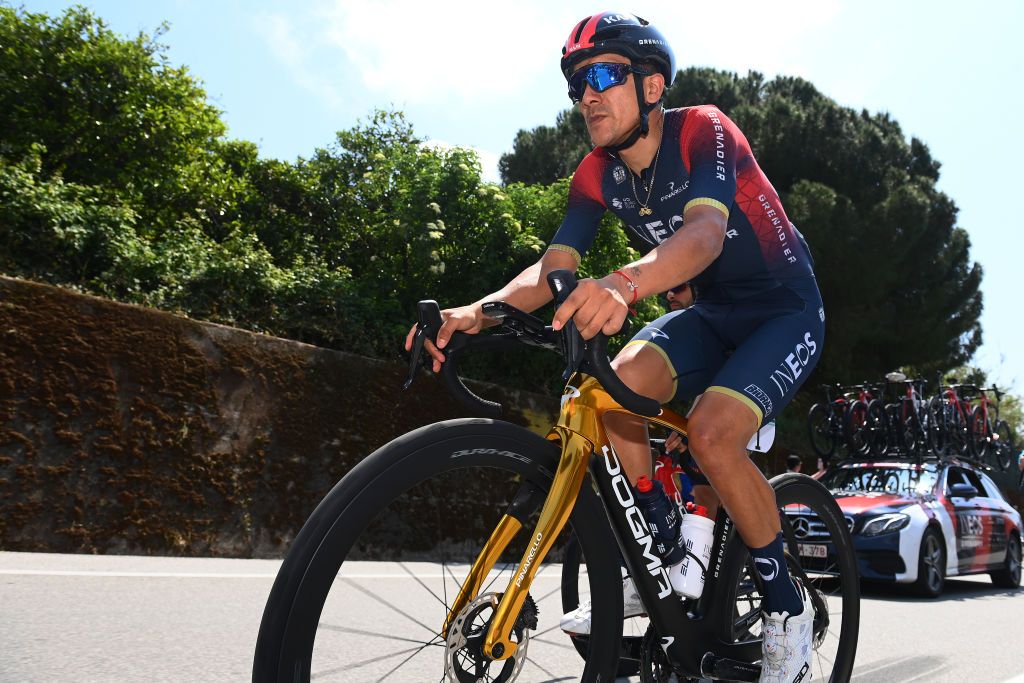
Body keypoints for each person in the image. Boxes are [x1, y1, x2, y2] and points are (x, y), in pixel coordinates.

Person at [404, 12, 823, 681]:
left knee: (713, 436)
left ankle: (787, 609)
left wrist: (626, 282)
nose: (586, 94)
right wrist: (474, 314)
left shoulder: (703, 130)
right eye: (577, 83)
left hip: (784, 310)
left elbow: (705, 237)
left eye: (604, 74)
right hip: (712, 314)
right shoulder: (596, 173)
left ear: (652, 84)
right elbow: (551, 269)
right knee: (616, 386)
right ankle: (664, 556)